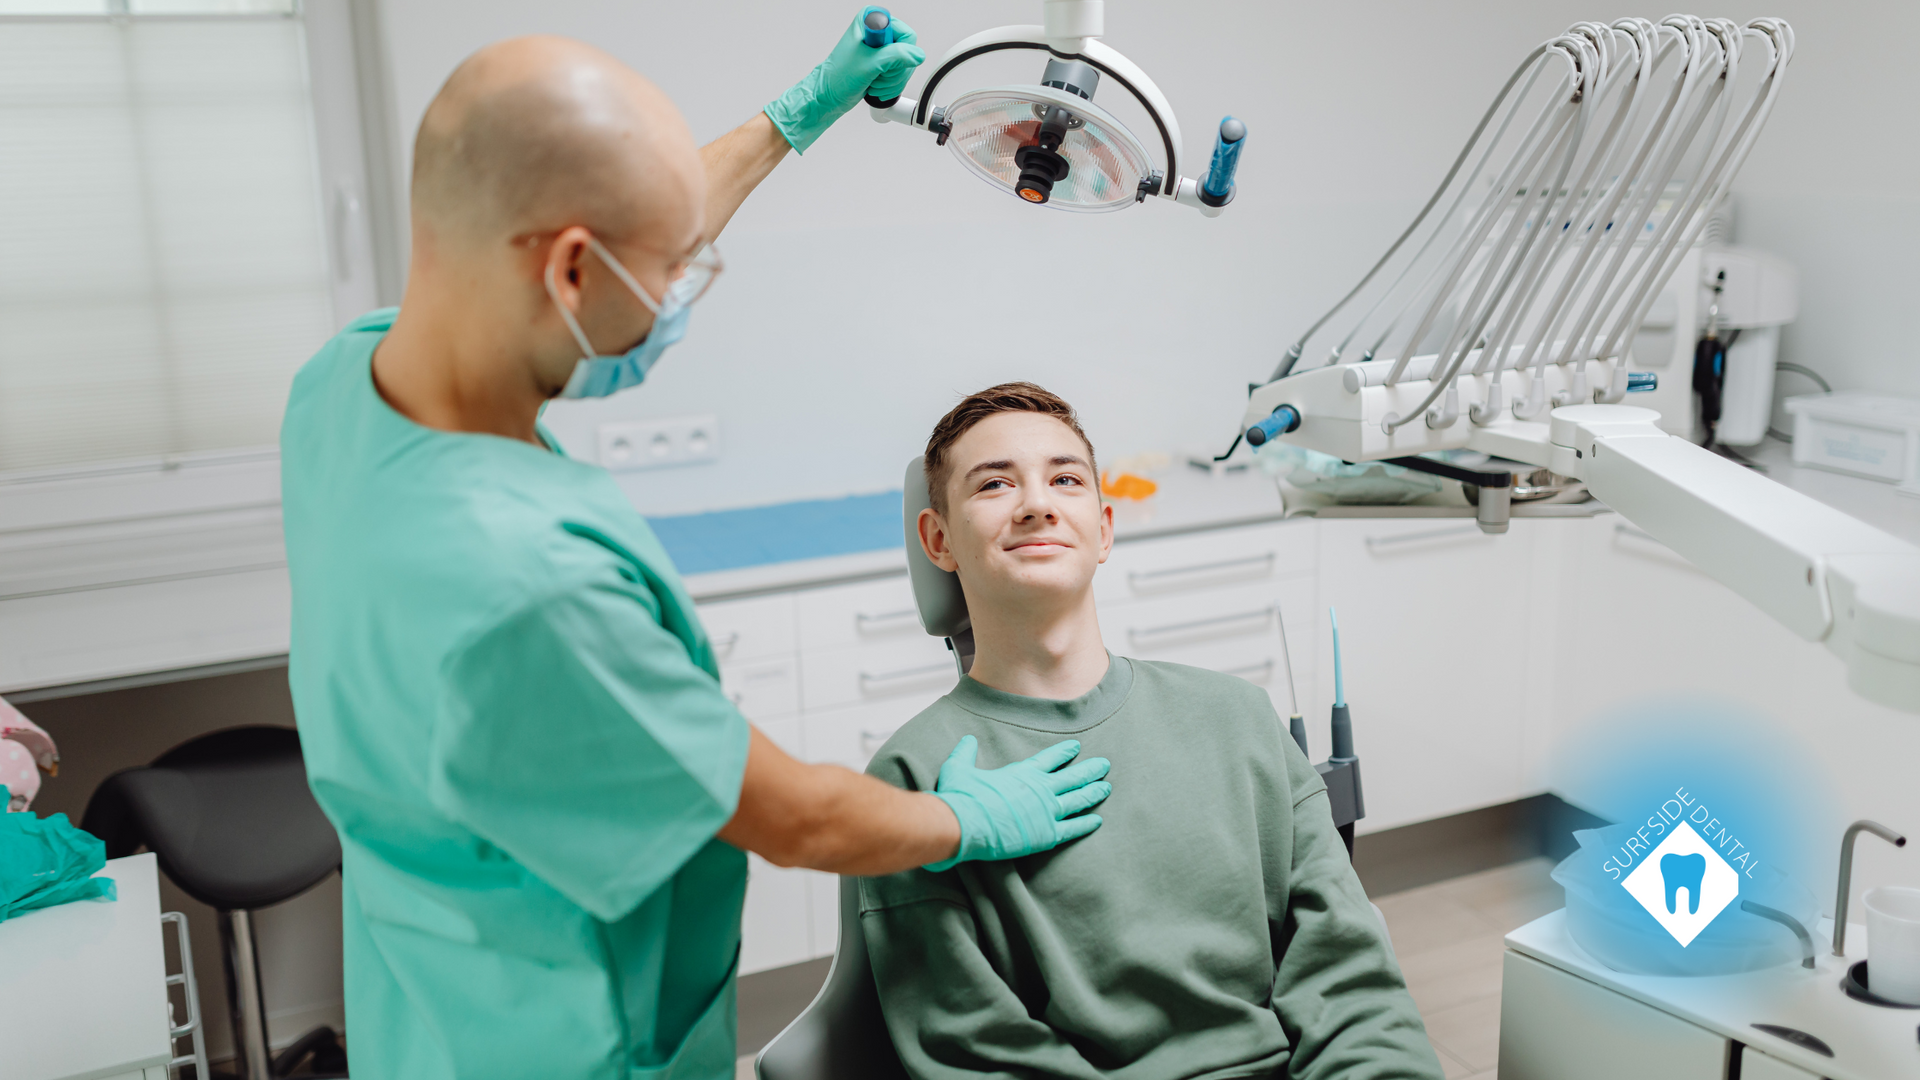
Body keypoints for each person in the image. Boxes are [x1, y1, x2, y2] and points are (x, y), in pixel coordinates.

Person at [279, 19, 1113, 1080]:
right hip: (568, 1038)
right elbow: (797, 817)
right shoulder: (532, 591)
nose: (676, 295)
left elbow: (618, 222)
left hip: (428, 1002)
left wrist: (793, 117)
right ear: (571, 269)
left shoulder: (343, 388)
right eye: (671, 272)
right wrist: (962, 819)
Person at [860, 383, 1445, 1080]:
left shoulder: (1236, 719)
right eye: (994, 484)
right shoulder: (914, 782)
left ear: (1103, 527)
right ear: (938, 539)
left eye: (1066, 479)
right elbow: (977, 1052)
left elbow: (1349, 980)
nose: (1038, 503)